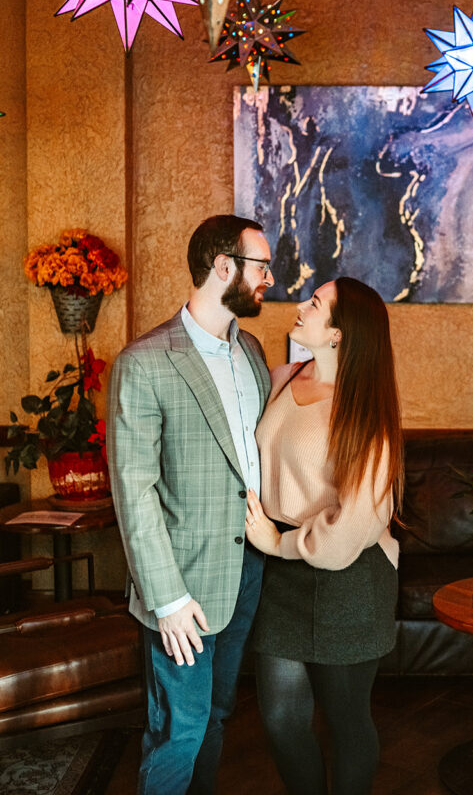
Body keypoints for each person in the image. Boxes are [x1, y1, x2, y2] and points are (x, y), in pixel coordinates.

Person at [107, 214, 273, 795]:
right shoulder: (145, 362)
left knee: (218, 715)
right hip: (182, 585)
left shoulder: (250, 350)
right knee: (181, 727)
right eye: (262, 266)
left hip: (249, 568)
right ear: (223, 267)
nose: (269, 280)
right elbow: (134, 490)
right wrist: (168, 598)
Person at [245, 276, 404, 795]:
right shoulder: (284, 375)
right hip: (283, 572)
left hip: (350, 574)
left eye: (315, 304)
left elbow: (346, 535)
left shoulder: (366, 415)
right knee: (281, 720)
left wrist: (276, 543)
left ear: (338, 333)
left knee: (347, 722)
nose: (301, 307)